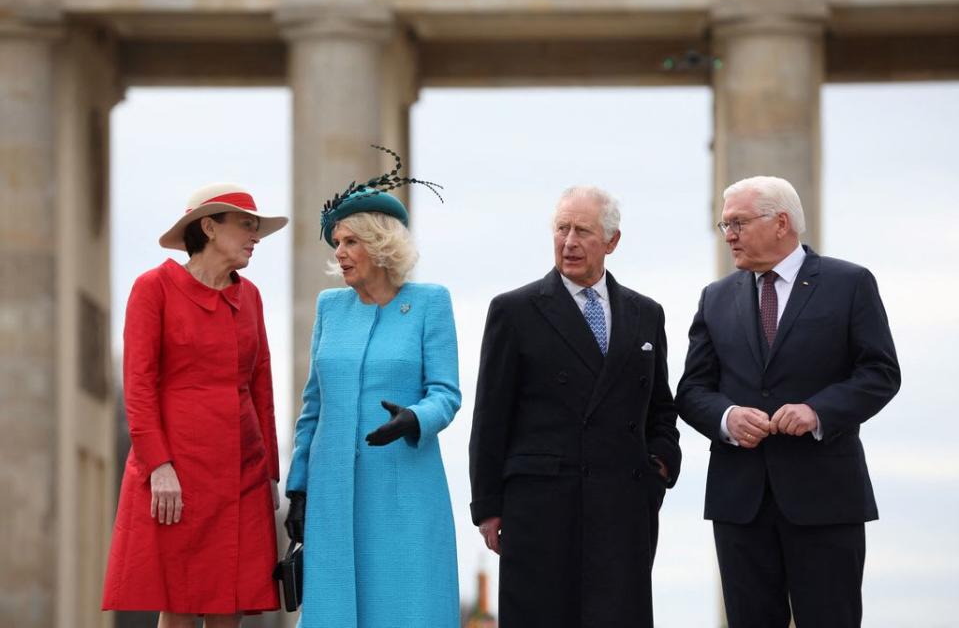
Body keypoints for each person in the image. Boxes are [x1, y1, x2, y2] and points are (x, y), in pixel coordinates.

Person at [676, 175, 901, 628]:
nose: (730, 236)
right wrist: (727, 417)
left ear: (781, 223)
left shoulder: (849, 283)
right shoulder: (715, 298)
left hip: (825, 497)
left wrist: (818, 411)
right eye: (724, 226)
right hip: (740, 501)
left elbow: (880, 373)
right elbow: (692, 390)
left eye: (737, 223)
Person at [469, 185, 681, 627]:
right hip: (541, 507)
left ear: (611, 241)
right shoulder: (515, 310)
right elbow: (490, 415)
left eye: (582, 231)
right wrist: (488, 507)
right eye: (561, 229)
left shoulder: (647, 314)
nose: (569, 242)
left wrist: (658, 466)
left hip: (623, 505)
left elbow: (661, 407)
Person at [284, 149, 461, 628]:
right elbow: (312, 408)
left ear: (380, 245)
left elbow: (447, 393)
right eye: (335, 243)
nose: (338, 253)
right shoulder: (330, 308)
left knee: (407, 607)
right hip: (333, 489)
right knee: (336, 612)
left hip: (404, 483)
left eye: (349, 242)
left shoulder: (430, 303)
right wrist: (298, 490)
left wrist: (413, 418)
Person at [102, 184, 288, 627]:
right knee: (179, 602)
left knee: (231, 603)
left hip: (242, 471)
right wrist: (158, 466)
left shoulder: (252, 298)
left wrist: (270, 475)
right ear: (208, 226)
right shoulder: (153, 289)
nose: (255, 236)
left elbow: (262, 388)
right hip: (177, 473)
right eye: (246, 225)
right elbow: (139, 386)